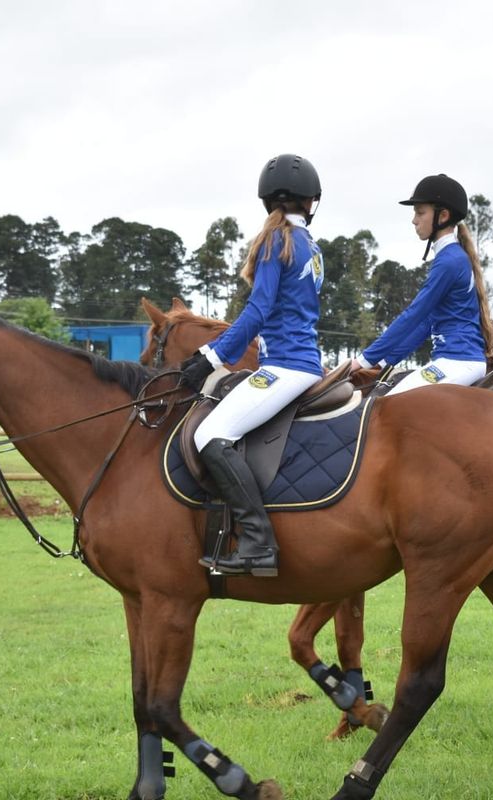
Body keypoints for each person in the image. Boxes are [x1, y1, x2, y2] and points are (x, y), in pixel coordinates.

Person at [177, 153, 325, 576]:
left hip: (285, 366)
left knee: (210, 432)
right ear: (311, 202)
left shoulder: (275, 242)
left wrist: (211, 357)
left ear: (267, 201)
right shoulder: (311, 247)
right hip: (303, 362)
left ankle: (258, 541)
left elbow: (258, 311)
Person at [350, 174, 493, 394]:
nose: (414, 220)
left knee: (387, 404)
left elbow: (414, 314)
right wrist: (386, 361)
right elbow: (426, 322)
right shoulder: (450, 257)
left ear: (443, 215)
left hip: (458, 360)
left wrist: (363, 360)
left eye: (420, 212)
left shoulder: (449, 261)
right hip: (455, 360)